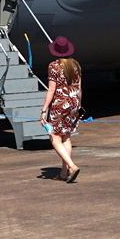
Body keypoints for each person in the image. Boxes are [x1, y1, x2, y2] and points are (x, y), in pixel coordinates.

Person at [39, 36, 82, 183]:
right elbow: (79, 87)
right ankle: (64, 173)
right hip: (74, 102)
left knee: (54, 137)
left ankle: (71, 166)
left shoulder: (54, 66)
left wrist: (44, 110)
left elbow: (52, 90)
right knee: (66, 137)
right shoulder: (76, 64)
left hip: (59, 104)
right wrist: (78, 106)